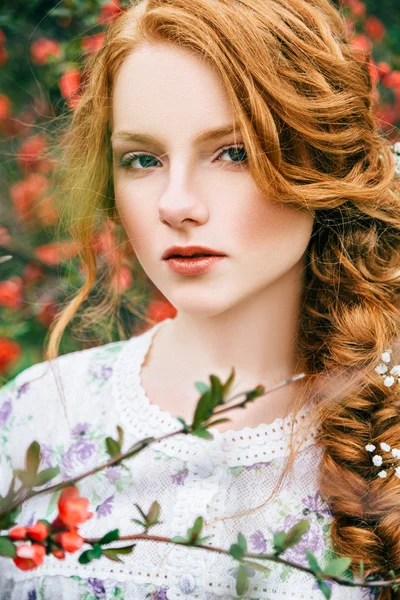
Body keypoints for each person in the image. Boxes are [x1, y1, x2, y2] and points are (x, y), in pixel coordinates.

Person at [0, 0, 399, 598]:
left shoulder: (384, 427)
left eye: (232, 152)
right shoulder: (35, 419)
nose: (175, 202)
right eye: (143, 160)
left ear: (321, 160)